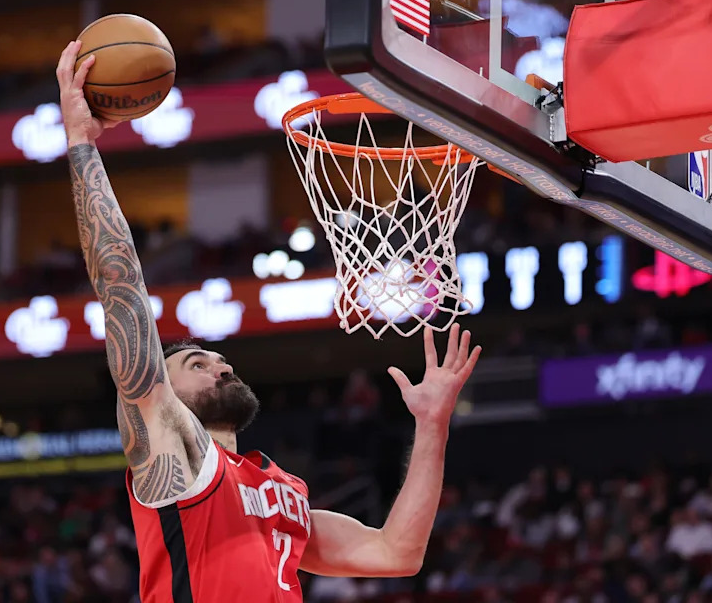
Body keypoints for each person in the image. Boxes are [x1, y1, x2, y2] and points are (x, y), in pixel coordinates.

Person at [56, 40, 482, 602]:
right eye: (195, 362)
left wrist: (432, 426)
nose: (220, 363)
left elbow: (395, 552)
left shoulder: (282, 492)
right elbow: (121, 287)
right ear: (163, 392)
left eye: (216, 356)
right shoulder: (172, 456)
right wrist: (82, 145)